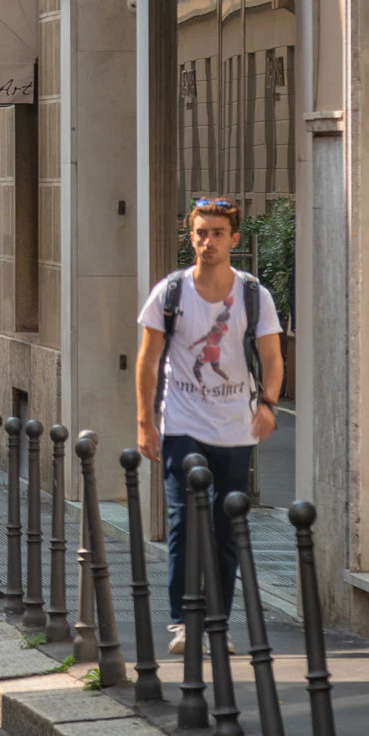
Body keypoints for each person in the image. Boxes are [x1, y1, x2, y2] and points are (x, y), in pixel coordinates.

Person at [136, 197, 284, 650]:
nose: (208, 241)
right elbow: (148, 359)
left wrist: (270, 404)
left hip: (236, 430)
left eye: (218, 233)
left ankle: (216, 622)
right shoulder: (170, 292)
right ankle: (184, 622)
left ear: (234, 240)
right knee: (183, 520)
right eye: (201, 232)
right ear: (191, 237)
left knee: (227, 528)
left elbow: (274, 357)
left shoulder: (253, 295)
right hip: (182, 425)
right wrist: (145, 421)